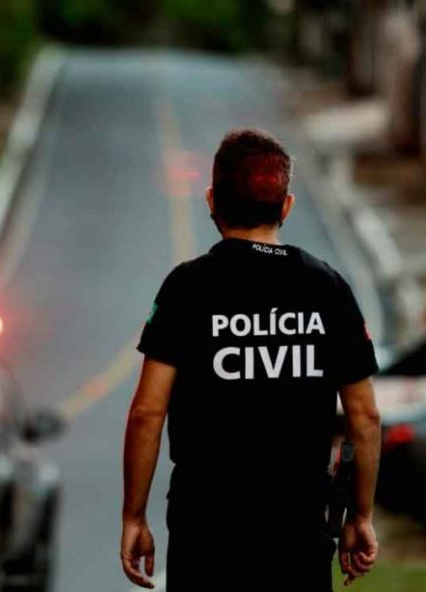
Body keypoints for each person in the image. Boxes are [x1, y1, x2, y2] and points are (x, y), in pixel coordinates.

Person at [120, 129, 382, 591]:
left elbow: (147, 412)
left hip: (207, 528)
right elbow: (365, 415)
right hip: (298, 526)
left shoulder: (187, 288)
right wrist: (360, 515)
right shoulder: (328, 288)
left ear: (211, 201)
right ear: (286, 206)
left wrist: (134, 516)